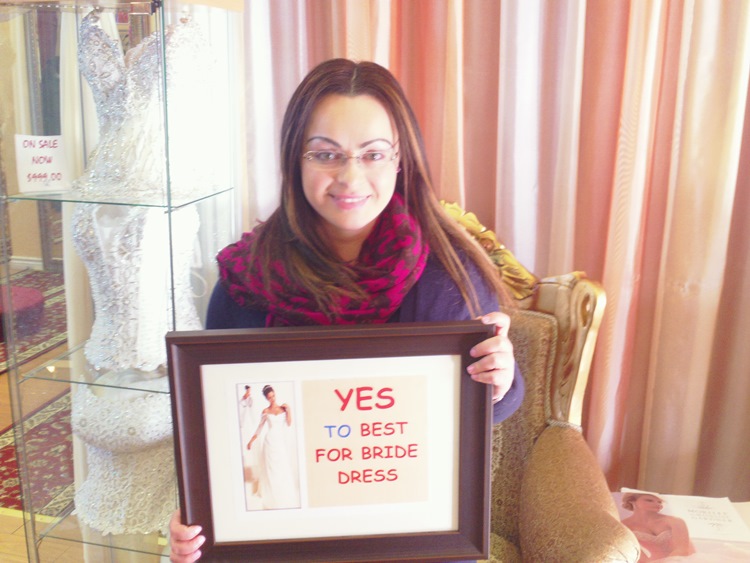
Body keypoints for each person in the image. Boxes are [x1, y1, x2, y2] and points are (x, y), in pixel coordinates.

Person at [169, 58, 524, 562]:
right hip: (287, 545)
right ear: (295, 160)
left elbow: (484, 410)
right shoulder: (246, 282)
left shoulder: (450, 274)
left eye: (373, 154)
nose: (350, 177)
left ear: (400, 160)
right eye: (325, 154)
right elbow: (222, 437)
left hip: (415, 541)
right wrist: (202, 516)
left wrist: (501, 376)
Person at [245, 385, 301, 510]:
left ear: (275, 394)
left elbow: (289, 423)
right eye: (269, 397)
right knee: (270, 468)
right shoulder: (265, 411)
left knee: (281, 466)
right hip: (269, 441)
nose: (272, 399)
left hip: (279, 442)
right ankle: (271, 495)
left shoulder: (283, 408)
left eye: (273, 396)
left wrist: (289, 410)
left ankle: (282, 494)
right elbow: (259, 428)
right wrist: (251, 441)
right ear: (266, 398)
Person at [621, 493, 695, 561]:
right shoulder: (624, 525)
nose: (657, 504)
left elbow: (681, 550)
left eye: (659, 502)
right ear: (632, 501)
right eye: (649, 500)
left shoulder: (675, 521)